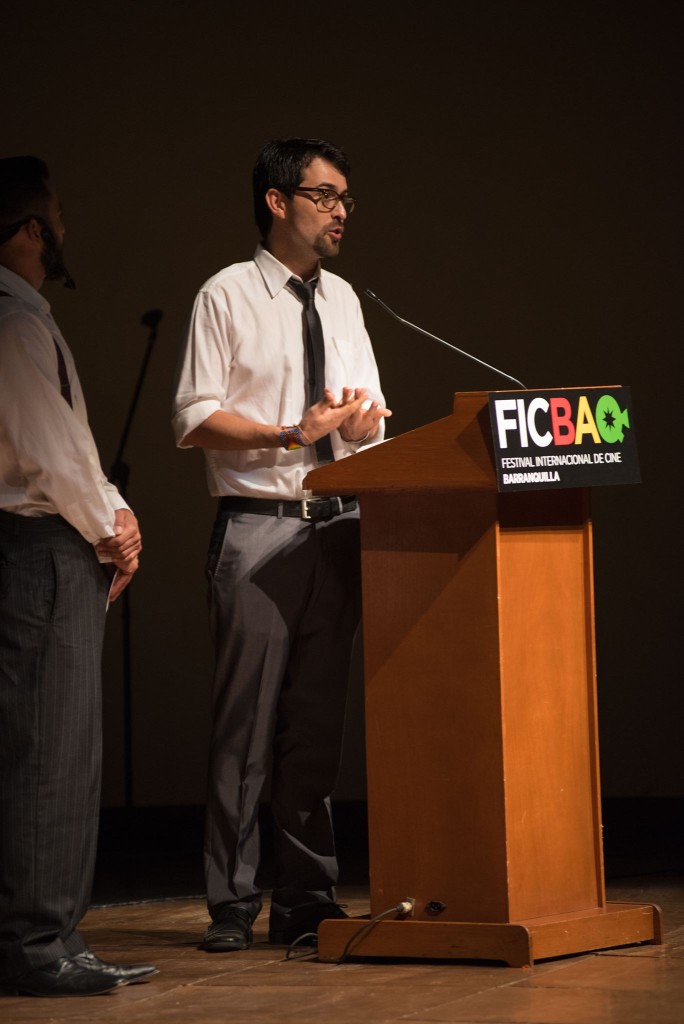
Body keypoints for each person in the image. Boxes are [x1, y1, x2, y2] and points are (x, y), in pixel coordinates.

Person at [172, 137, 391, 951]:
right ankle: (232, 903)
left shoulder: (344, 301)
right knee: (245, 731)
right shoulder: (226, 294)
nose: (340, 213)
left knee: (315, 730)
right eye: (326, 196)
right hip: (259, 532)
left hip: (336, 532)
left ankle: (308, 900)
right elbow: (193, 418)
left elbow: (365, 415)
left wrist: (361, 430)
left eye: (346, 200)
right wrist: (289, 434)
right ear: (277, 200)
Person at [0, 157, 157, 996]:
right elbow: (49, 453)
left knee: (55, 747)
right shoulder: (12, 323)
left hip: (52, 541)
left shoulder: (27, 319)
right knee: (50, 753)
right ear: (32, 231)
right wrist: (114, 530)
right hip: (42, 549)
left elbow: (68, 448)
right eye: (55, 216)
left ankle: (48, 935)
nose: (63, 231)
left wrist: (112, 508)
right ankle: (37, 946)